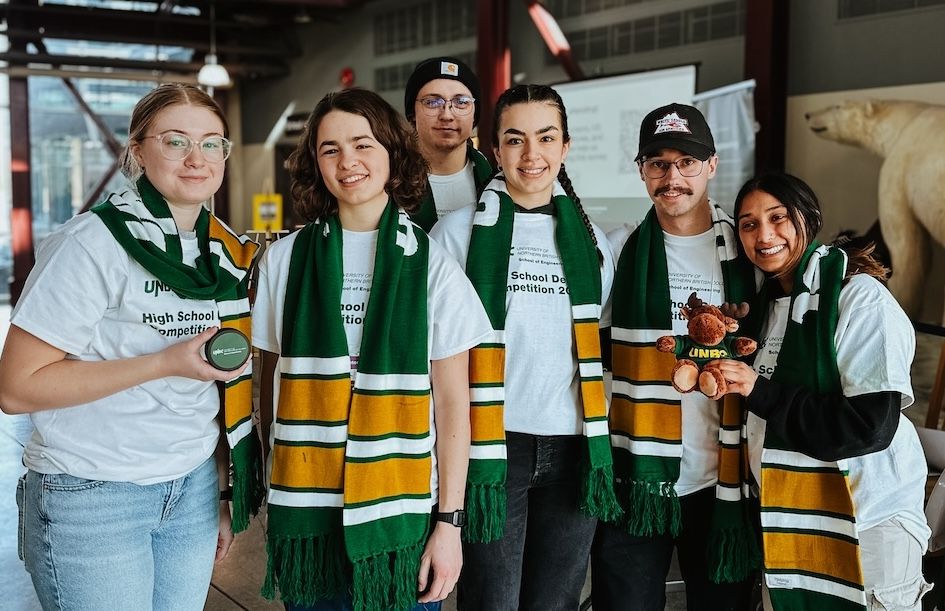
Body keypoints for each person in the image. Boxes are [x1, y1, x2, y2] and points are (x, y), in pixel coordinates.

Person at [0, 83, 262, 610]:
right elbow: (16, 388)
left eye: (213, 143)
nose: (197, 159)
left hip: (189, 487)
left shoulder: (224, 253)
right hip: (94, 492)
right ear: (138, 150)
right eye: (175, 141)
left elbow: (214, 392)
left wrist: (219, 491)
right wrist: (163, 362)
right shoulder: (90, 244)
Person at [251, 87, 491, 611]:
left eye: (363, 145)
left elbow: (453, 407)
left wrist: (449, 524)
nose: (348, 162)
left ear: (392, 153)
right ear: (315, 163)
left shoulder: (433, 266)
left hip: (401, 512)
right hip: (309, 510)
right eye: (330, 149)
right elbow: (268, 388)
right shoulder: (284, 262)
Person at [431, 83, 620, 611]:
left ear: (565, 147)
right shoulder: (455, 234)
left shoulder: (593, 243)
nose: (531, 155)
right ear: (494, 149)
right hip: (493, 447)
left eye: (545, 138)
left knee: (555, 603)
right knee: (490, 602)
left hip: (574, 448)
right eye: (515, 140)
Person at [712, 172, 932, 611]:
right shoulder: (764, 310)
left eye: (778, 218)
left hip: (868, 522)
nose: (764, 235)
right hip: (787, 523)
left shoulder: (860, 299)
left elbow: (868, 427)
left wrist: (759, 390)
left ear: (808, 219)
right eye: (749, 224)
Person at [593, 103, 758, 611]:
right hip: (634, 474)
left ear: (711, 165)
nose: (673, 177)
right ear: (641, 170)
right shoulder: (620, 251)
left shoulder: (747, 253)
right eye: (658, 163)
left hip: (723, 481)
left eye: (686, 161)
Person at [403, 56, 493, 231]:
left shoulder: (498, 183)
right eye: (432, 102)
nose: (446, 115)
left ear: (475, 115)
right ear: (412, 114)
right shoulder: (389, 182)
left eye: (461, 102)